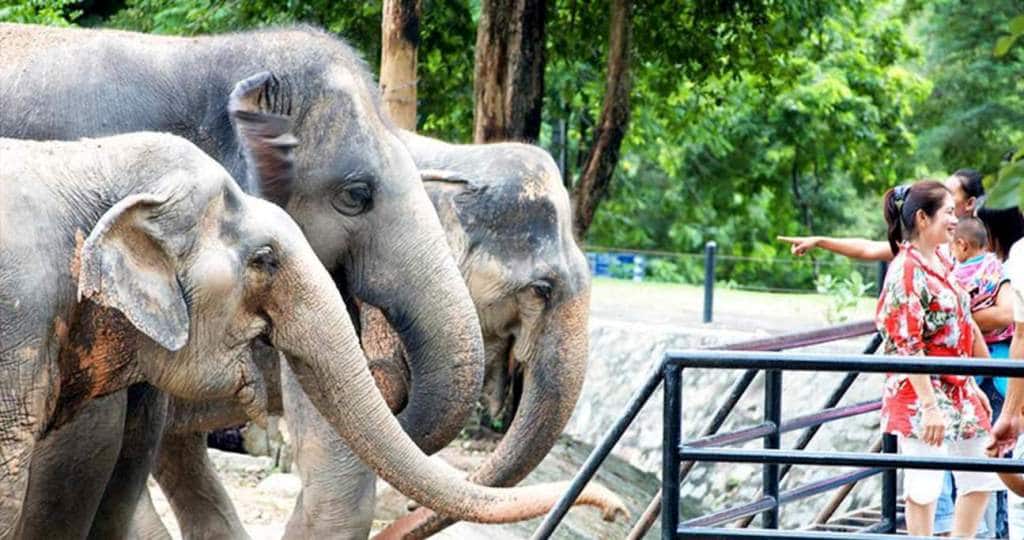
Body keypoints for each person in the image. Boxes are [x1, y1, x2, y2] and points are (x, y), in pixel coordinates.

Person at [877, 180, 1000, 537]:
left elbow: (963, 322)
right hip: (920, 388)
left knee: (979, 475)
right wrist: (929, 406)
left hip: (957, 383)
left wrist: (975, 379)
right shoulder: (905, 271)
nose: (953, 220)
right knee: (924, 485)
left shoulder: (944, 260)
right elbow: (907, 342)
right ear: (921, 219)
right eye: (947, 212)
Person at [778, 169, 986, 261]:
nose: (944, 199)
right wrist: (820, 241)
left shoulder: (989, 246)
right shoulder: (924, 253)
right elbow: (868, 249)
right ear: (922, 218)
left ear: (970, 204)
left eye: (951, 197)